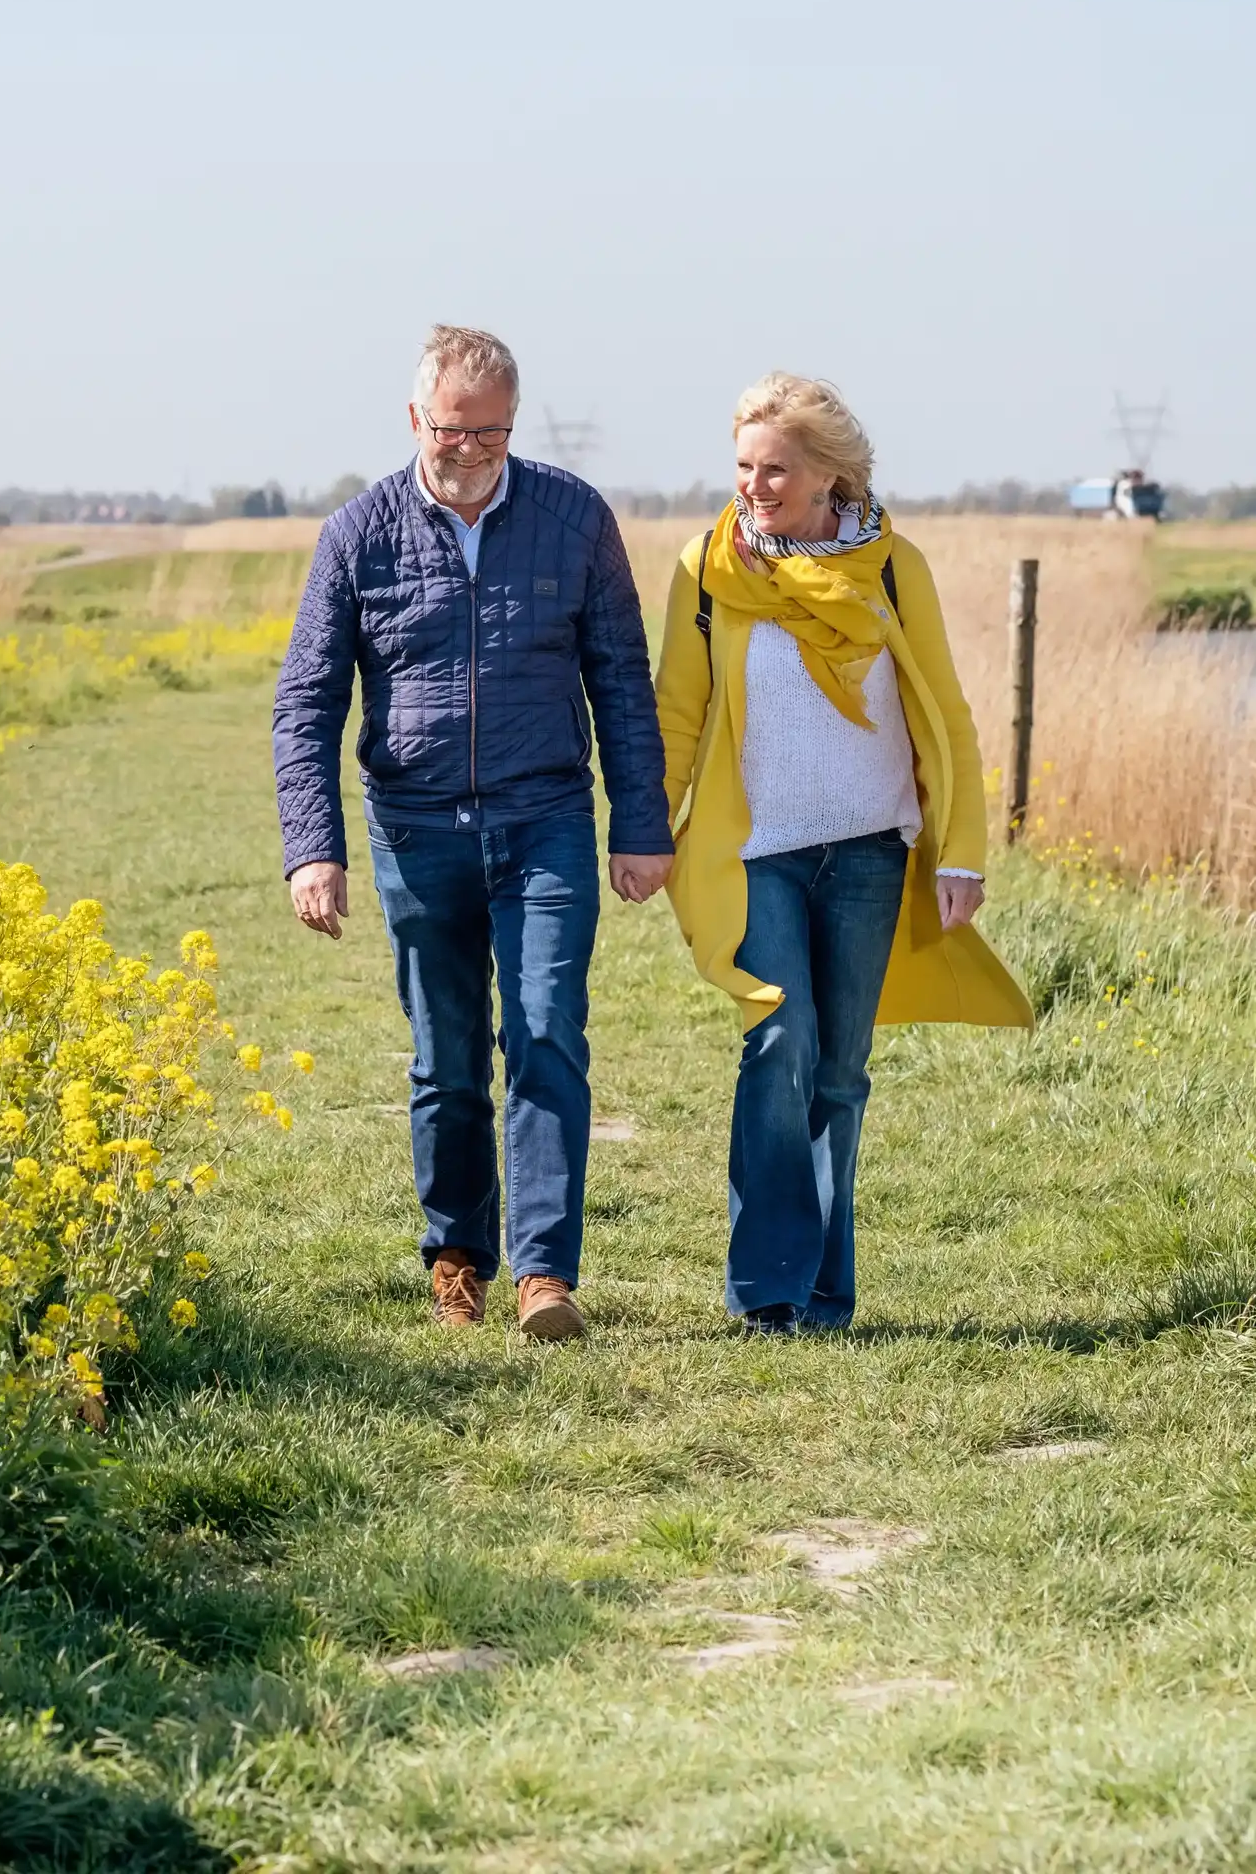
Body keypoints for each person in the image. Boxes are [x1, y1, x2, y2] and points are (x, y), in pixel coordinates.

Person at [273, 324, 675, 1339]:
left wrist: (640, 822)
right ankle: (459, 1259)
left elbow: (623, 678)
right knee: (447, 1057)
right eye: (454, 430)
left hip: (545, 818)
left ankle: (546, 1275)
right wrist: (312, 845)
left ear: (513, 422)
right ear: (417, 419)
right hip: (417, 830)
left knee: (546, 1032)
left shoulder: (573, 518)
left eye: (491, 432)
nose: (471, 450)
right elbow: (307, 703)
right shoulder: (357, 535)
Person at [654, 372, 1031, 1335]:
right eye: (742, 465)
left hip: (869, 851)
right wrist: (643, 830)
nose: (753, 485)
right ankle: (765, 1289)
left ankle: (824, 1293)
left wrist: (959, 854)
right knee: (778, 1041)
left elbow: (942, 711)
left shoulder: (895, 567)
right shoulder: (709, 569)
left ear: (830, 475)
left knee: (839, 1071)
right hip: (757, 852)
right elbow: (677, 712)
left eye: (774, 467)